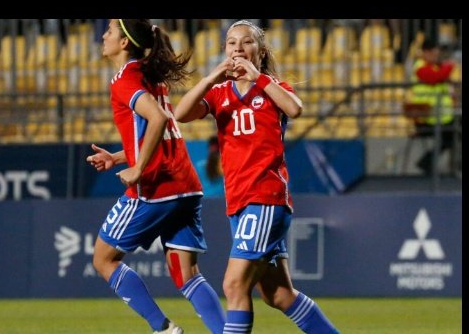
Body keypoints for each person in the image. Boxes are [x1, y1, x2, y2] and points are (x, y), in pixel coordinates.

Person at [174, 20, 339, 333]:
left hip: (264, 198)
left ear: (260, 52)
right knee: (278, 295)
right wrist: (210, 78)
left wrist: (259, 78)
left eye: (246, 42)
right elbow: (180, 113)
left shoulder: (272, 88)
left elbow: (295, 108)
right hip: (239, 202)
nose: (237, 48)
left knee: (234, 285)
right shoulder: (220, 93)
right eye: (231, 43)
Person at [86, 19, 226, 334]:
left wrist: (137, 168)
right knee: (187, 276)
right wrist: (120, 157)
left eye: (109, 30)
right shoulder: (150, 77)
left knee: (103, 259)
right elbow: (156, 130)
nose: (104, 36)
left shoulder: (125, 80)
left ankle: (162, 328)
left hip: (155, 189)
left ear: (124, 43)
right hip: (186, 186)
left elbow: (159, 118)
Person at [411, 38, 457, 175]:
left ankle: (430, 163)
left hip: (442, 116)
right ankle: (428, 163)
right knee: (451, 135)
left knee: (453, 134)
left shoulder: (435, 66)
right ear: (426, 52)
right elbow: (435, 78)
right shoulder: (419, 67)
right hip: (426, 118)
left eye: (438, 55)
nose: (436, 57)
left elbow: (444, 84)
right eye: (434, 54)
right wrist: (450, 66)